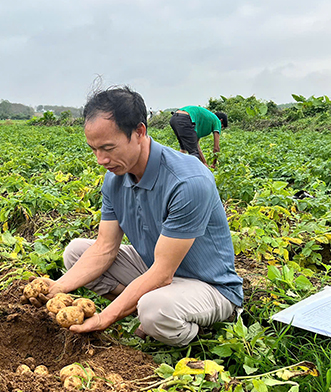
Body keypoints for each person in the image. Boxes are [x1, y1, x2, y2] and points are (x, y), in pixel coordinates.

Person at [31, 87, 242, 346]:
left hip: (208, 285)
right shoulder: (115, 179)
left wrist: (105, 317)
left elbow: (163, 273)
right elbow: (104, 248)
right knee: (76, 253)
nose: (101, 160)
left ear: (139, 132)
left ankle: (194, 330)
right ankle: (141, 308)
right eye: (94, 149)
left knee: (154, 310)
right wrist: (57, 287)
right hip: (157, 267)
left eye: (108, 148)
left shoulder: (188, 181)